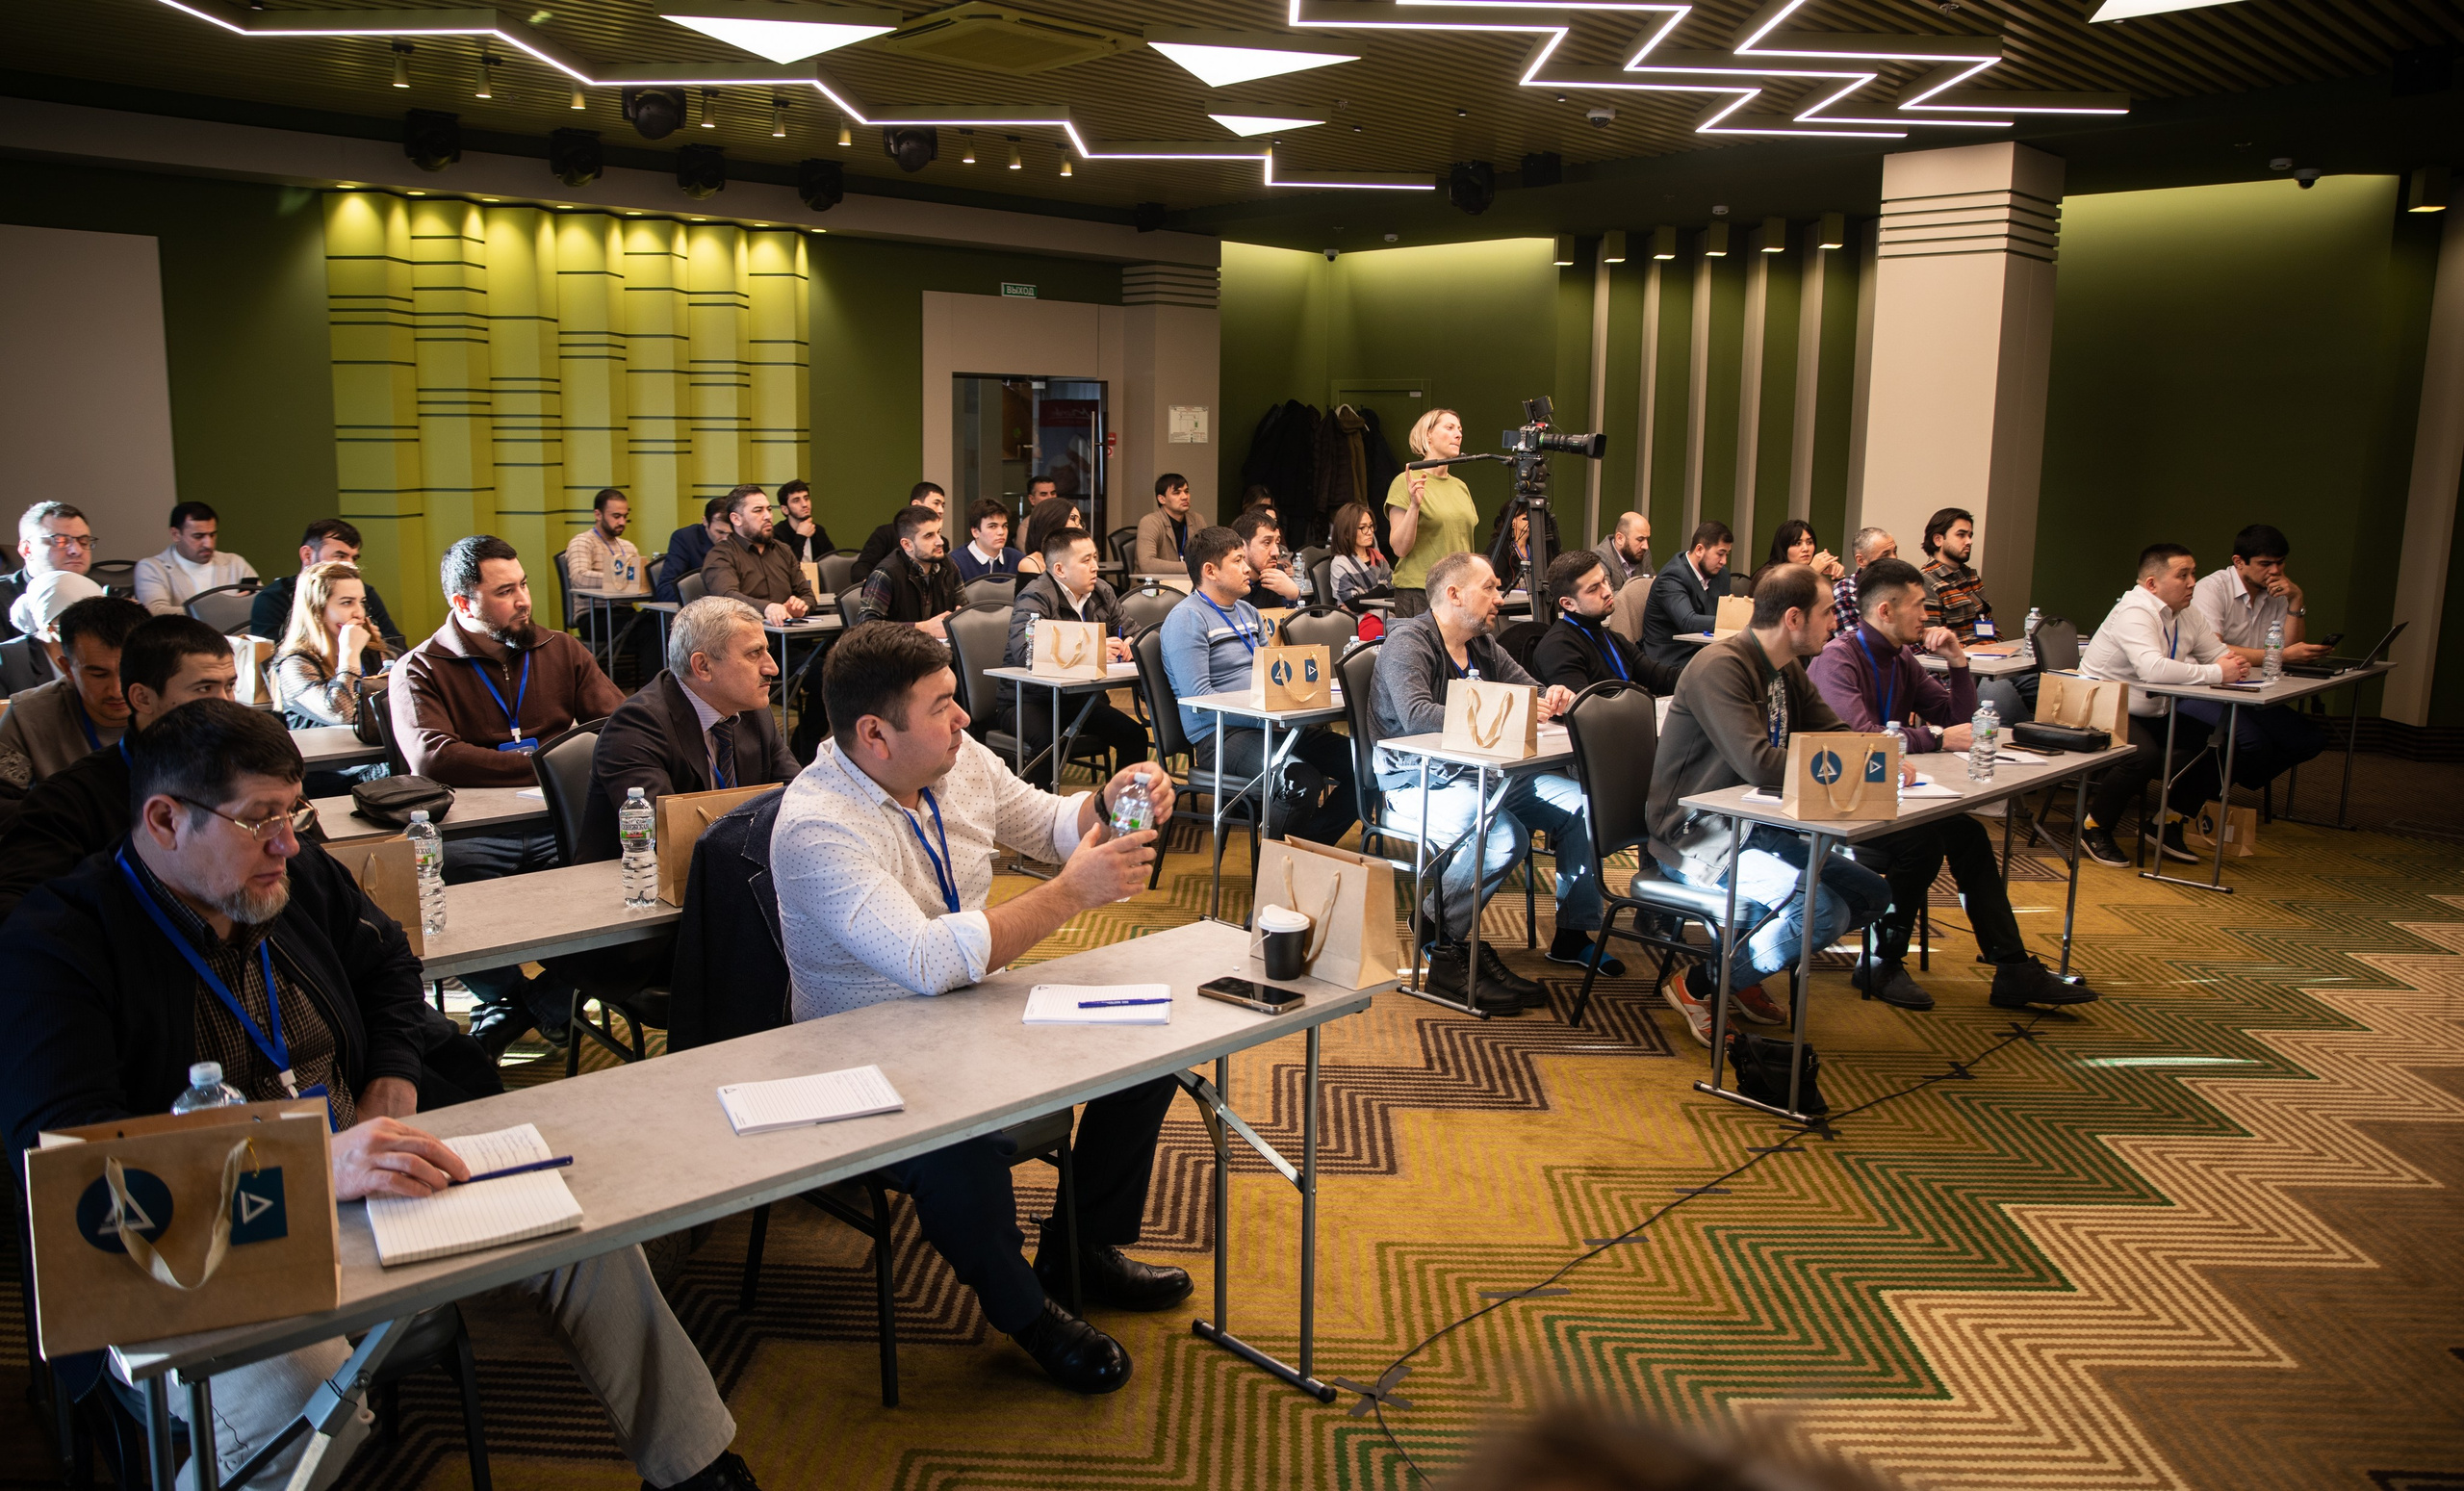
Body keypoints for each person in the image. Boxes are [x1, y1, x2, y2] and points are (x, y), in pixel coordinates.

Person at [0, 700, 764, 1491]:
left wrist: (392, 1076)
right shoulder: (57, 946)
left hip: (364, 1176)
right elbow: (74, 1171)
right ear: (164, 819)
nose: (287, 841)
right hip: (195, 1241)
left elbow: (391, 965)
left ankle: (695, 1470)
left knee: (588, 1239)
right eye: (259, 819)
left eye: (293, 811)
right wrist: (310, 1168)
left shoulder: (290, 877)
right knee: (304, 1396)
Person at [771, 622, 1186, 1395]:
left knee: (1148, 1046)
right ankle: (1027, 1312)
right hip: (862, 1053)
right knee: (956, 1147)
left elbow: (1049, 824)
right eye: (941, 706)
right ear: (875, 734)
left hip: (972, 1008)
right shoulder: (817, 825)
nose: (964, 716)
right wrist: (1071, 894)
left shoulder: (957, 760)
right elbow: (926, 959)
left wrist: (1107, 799)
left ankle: (1079, 1248)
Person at [1808, 557, 2098, 1012]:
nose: (1927, 615)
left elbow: (1958, 719)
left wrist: (1959, 664)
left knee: (1968, 834)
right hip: (1836, 800)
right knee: (1921, 844)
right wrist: (1936, 738)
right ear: (1885, 610)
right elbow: (1861, 739)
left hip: (1888, 794)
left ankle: (2011, 967)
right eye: (1918, 605)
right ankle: (1881, 961)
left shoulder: (1901, 657)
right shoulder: (1838, 659)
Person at [392, 536, 625, 1054]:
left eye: (523, 585)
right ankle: (511, 996)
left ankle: (533, 1003)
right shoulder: (420, 667)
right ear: (462, 603)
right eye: (504, 591)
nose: (524, 601)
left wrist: (537, 766)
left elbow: (617, 726)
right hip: (471, 833)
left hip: (554, 823)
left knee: (627, 869)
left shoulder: (560, 649)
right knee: (433, 883)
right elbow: (435, 757)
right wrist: (549, 763)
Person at [1645, 563, 1891, 1045]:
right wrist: (1854, 767)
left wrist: (1875, 757)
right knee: (1822, 912)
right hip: (1698, 837)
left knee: (1871, 896)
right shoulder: (1720, 666)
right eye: (1828, 613)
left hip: (1759, 828)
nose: (1836, 623)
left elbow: (1834, 733)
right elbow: (1758, 763)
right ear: (1793, 618)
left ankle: (1742, 969)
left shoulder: (1785, 668)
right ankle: (1701, 985)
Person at [1371, 552, 1607, 1014]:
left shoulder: (1482, 645)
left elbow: (1528, 691)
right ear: (1454, 595)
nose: (1500, 598)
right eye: (1490, 588)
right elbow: (1416, 716)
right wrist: (1509, 712)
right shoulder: (1409, 642)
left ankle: (1572, 933)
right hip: (1418, 782)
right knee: (1503, 837)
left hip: (1486, 773)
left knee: (1582, 804)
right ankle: (1440, 934)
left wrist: (1553, 696)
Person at [0, 615, 238, 923]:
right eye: (204, 688)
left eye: (230, 686)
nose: (225, 705)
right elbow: (17, 909)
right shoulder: (67, 801)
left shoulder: (249, 765)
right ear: (142, 697)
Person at [1158, 527, 1357, 845]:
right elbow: (1201, 701)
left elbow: (1271, 675)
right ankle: (1277, 866)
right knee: (1300, 782)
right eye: (1237, 561)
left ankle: (1306, 850)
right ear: (1210, 571)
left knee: (1365, 765)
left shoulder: (1248, 612)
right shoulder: (1187, 619)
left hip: (1272, 723)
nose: (1247, 568)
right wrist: (1267, 716)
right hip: (1221, 735)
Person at [584, 595, 800, 859]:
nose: (772, 668)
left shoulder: (752, 710)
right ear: (703, 666)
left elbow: (798, 802)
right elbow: (667, 837)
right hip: (633, 878)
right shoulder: (635, 727)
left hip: (729, 868)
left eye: (767, 650)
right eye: (754, 653)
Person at [2075, 543, 2248, 867]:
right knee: (2142, 755)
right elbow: (2153, 670)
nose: (2192, 582)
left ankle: (2166, 822)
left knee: (2224, 745)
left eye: (2193, 573)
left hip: (2152, 710)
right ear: (2152, 584)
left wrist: (2232, 664)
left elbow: (2219, 655)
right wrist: (2217, 672)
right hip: (2101, 707)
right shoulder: (2134, 612)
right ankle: (2094, 827)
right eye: (2183, 575)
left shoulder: (2186, 613)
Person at [2182, 523, 2329, 792]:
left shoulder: (2277, 592)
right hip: (2203, 689)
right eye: (2265, 564)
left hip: (2249, 689)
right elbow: (2213, 650)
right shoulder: (2212, 588)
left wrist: (2296, 599)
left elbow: (2290, 648)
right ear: (2239, 562)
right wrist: (2282, 655)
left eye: (2280, 562)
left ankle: (2231, 784)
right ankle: (2193, 797)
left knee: (2310, 739)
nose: (2275, 571)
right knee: (2254, 743)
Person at [999, 527, 1146, 788]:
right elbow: (1025, 651)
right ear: (1059, 570)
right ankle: (1040, 812)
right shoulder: (1036, 595)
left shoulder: (1101, 591)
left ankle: (1119, 808)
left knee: (1134, 735)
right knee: (1049, 742)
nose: (1095, 567)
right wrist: (1094, 648)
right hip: (1029, 700)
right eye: (1085, 560)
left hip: (1080, 699)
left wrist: (1131, 643)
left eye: (1095, 557)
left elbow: (1136, 633)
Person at [0, 591, 141, 831]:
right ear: (67, 668)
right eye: (98, 674)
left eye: (128, 671)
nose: (117, 690)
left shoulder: (179, 707)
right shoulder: (29, 716)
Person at [1532, 550, 1681, 697]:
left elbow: (1660, 677)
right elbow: (1583, 705)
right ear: (1568, 604)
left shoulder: (1611, 638)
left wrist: (1693, 677)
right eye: (1593, 589)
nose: (1607, 592)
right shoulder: (1558, 648)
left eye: (1604, 580)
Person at [270, 559, 392, 735]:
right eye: (347, 602)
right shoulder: (293, 664)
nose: (359, 613)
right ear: (317, 610)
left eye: (362, 602)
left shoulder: (371, 652)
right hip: (325, 752)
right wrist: (349, 656)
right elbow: (342, 713)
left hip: (375, 749)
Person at [248, 519, 406, 650]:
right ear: (307, 555)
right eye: (340, 556)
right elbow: (272, 660)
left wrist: (377, 644)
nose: (350, 565)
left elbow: (398, 647)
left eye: (354, 558)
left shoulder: (362, 592)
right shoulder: (272, 599)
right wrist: (346, 645)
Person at [1385, 407, 1481, 620]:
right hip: (1421, 591)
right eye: (1449, 427)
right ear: (1428, 434)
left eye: (1460, 430)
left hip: (1458, 591)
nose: (1458, 434)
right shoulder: (1406, 481)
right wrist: (1414, 505)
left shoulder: (1460, 487)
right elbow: (1399, 548)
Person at [701, 485, 817, 625]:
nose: (768, 516)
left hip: (788, 631)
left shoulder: (783, 550)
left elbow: (808, 594)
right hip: (744, 633)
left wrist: (801, 606)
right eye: (758, 510)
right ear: (736, 519)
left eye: (769, 509)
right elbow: (727, 597)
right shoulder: (721, 555)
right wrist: (767, 608)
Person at [854, 501, 962, 637]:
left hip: (941, 647)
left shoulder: (948, 565)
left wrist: (962, 616)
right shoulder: (885, 574)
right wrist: (922, 627)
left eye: (938, 532)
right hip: (899, 649)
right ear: (907, 544)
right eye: (929, 536)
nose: (940, 541)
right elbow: (866, 629)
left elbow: (963, 608)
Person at [133, 501, 257, 616]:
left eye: (212, 535)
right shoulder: (152, 568)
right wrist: (223, 608)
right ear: (175, 534)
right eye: (198, 536)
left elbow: (261, 604)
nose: (208, 544)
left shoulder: (235, 563)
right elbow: (156, 612)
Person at [1641, 521, 1734, 667]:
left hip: (1704, 652)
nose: (1724, 561)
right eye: (1720, 554)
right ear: (1699, 550)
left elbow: (1724, 613)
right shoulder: (1672, 576)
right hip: (1670, 657)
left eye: (1727, 555)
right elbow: (1688, 622)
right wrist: (1733, 622)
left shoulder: (1721, 574)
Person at [3, 501, 97, 644]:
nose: (76, 550)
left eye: (83, 542)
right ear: (27, 550)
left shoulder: (99, 598)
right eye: (60, 541)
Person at [1919, 507, 1994, 642]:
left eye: (1970, 535)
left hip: (1990, 649)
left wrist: (1998, 647)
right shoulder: (1926, 581)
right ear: (1938, 540)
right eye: (1961, 535)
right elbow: (1931, 640)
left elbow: (1988, 623)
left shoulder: (1971, 576)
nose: (1969, 541)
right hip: (1960, 652)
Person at [852, 482, 946, 582]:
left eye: (943, 505)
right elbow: (862, 567)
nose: (941, 510)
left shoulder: (942, 545)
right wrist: (873, 585)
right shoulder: (885, 534)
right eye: (936, 503)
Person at [656, 494, 738, 604]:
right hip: (701, 608)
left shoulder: (743, 537)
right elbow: (665, 591)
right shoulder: (685, 538)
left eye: (731, 534)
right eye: (720, 532)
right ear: (705, 521)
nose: (726, 539)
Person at [1327, 500, 1393, 609]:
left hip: (1384, 614)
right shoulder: (1340, 563)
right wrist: (1383, 588)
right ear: (1347, 532)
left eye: (1371, 526)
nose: (1370, 532)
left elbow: (1393, 589)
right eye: (1363, 527)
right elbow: (1354, 604)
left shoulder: (1377, 557)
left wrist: (1364, 600)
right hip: (1357, 618)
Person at [1232, 508, 1301, 607]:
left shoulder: (1277, 575)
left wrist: (1293, 595)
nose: (1276, 552)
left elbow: (1281, 616)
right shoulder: (1228, 580)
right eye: (1267, 543)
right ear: (1242, 546)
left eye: (1277, 543)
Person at [1833, 527, 1896, 633]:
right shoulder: (1845, 591)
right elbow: (1858, 640)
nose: (1894, 558)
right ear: (1861, 561)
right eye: (1885, 555)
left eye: (1894, 551)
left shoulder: (1901, 586)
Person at [1135, 472, 1195, 576]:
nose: (1185, 497)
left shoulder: (1196, 519)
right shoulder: (1150, 522)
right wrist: (1191, 567)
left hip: (1190, 582)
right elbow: (1147, 564)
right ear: (1162, 499)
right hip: (1155, 584)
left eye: (1186, 491)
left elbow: (1208, 557)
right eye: (1177, 493)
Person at [952, 497, 1024, 581]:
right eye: (992, 526)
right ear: (975, 532)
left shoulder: (1017, 559)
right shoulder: (955, 562)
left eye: (1004, 526)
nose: (1001, 532)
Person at [1014, 496, 1085, 578]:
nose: (1080, 527)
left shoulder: (1072, 558)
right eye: (1073, 518)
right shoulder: (1031, 563)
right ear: (1051, 520)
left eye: (1080, 522)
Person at [772, 477, 833, 564]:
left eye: (806, 498)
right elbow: (785, 568)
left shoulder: (818, 531)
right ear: (785, 509)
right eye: (796, 501)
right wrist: (801, 537)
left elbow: (832, 563)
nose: (804, 504)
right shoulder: (776, 535)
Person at [1767, 518, 1843, 584]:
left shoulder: (1814, 574)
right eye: (1797, 543)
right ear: (1783, 547)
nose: (1805, 549)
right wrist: (1811, 571)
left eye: (1809, 542)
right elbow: (1789, 594)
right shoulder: (1769, 575)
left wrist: (1837, 578)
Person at [1593, 510, 1653, 593]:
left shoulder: (1643, 553)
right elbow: (1609, 598)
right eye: (1640, 539)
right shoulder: (1599, 559)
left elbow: (1654, 587)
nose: (1646, 546)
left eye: (1647, 539)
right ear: (1620, 538)